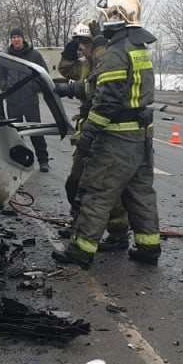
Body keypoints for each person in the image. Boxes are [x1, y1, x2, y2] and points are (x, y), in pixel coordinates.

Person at [53, 0, 160, 268]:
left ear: (116, 18)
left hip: (116, 139)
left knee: (97, 194)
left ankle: (80, 252)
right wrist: (71, 88)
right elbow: (102, 86)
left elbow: (107, 100)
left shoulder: (115, 53)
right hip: (141, 137)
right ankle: (149, 248)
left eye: (107, 16)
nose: (103, 23)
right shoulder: (138, 49)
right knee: (140, 194)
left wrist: (88, 136)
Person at [56, 19, 129, 250]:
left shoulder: (104, 62)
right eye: (80, 46)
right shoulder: (84, 65)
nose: (82, 50)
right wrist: (71, 45)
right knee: (75, 185)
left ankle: (118, 234)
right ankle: (78, 224)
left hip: (101, 131)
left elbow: (98, 85)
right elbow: (66, 68)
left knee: (102, 188)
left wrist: (98, 44)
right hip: (87, 131)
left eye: (84, 45)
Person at [0, 27, 51, 172]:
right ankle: (19, 162)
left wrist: (34, 87)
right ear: (11, 39)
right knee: (16, 133)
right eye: (13, 37)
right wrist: (5, 86)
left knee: (35, 131)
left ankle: (43, 160)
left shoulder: (34, 55)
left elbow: (43, 74)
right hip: (13, 101)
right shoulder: (6, 57)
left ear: (23, 38)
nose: (16, 39)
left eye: (18, 37)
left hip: (29, 100)